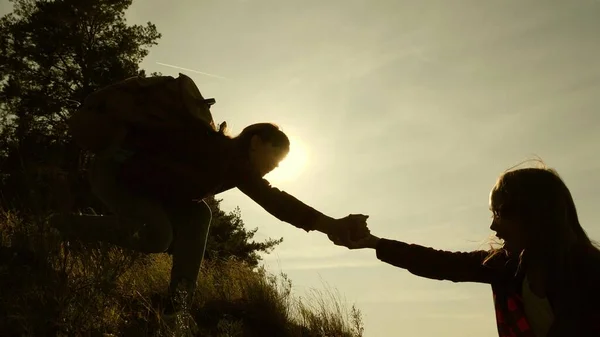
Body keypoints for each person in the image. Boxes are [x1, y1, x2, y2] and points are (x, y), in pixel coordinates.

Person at [51, 121, 369, 321]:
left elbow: (273, 197)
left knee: (199, 213)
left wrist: (330, 225)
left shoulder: (231, 163)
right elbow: (274, 200)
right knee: (158, 236)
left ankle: (178, 306)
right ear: (255, 142)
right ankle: (60, 224)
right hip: (113, 174)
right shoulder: (223, 153)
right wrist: (331, 225)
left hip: (148, 190)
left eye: (281, 162)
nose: (274, 166)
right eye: (275, 156)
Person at [335, 165, 600, 337]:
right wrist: (375, 243)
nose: (493, 225)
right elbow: (439, 263)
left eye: (500, 213)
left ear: (535, 214)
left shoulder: (590, 271)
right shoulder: (506, 267)